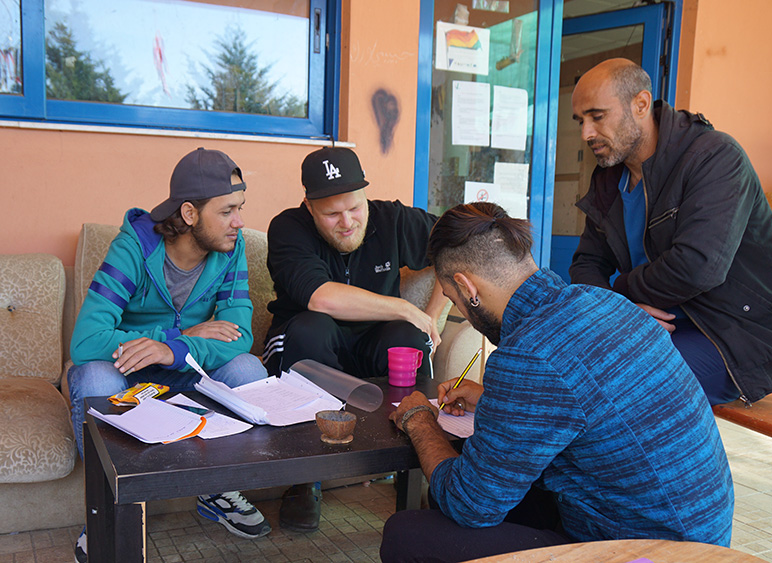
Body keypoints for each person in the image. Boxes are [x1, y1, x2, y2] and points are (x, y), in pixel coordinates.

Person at [380, 202, 734, 563]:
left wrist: (420, 419)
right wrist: (491, 398)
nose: (468, 318)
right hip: (699, 535)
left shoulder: (530, 353)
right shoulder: (604, 302)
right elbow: (584, 402)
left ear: (467, 287)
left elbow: (470, 505)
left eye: (455, 301)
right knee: (468, 483)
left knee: (407, 535)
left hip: (648, 552)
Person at [68, 148, 271, 563]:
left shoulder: (232, 250)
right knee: (94, 379)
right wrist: (174, 335)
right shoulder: (133, 248)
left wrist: (174, 348)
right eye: (228, 210)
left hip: (182, 373)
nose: (240, 221)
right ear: (190, 213)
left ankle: (215, 488)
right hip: (130, 380)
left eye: (241, 208)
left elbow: (239, 337)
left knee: (248, 368)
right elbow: (87, 341)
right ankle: (107, 509)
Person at [569, 58, 772, 406]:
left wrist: (622, 294)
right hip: (661, 327)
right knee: (560, 361)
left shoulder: (714, 157)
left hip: (735, 335)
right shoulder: (608, 176)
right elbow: (586, 263)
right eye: (581, 121)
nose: (586, 133)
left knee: (613, 389)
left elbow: (696, 266)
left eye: (597, 116)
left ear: (641, 104)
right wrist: (618, 310)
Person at [263, 146, 449, 532]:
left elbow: (462, 246)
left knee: (408, 337)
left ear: (367, 197)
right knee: (312, 326)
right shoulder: (287, 228)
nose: (347, 222)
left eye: (355, 208)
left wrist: (430, 317)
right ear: (309, 207)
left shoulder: (393, 218)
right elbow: (321, 296)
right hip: (312, 345)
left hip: (371, 346)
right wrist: (405, 308)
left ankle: (417, 470)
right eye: (331, 213)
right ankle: (304, 479)